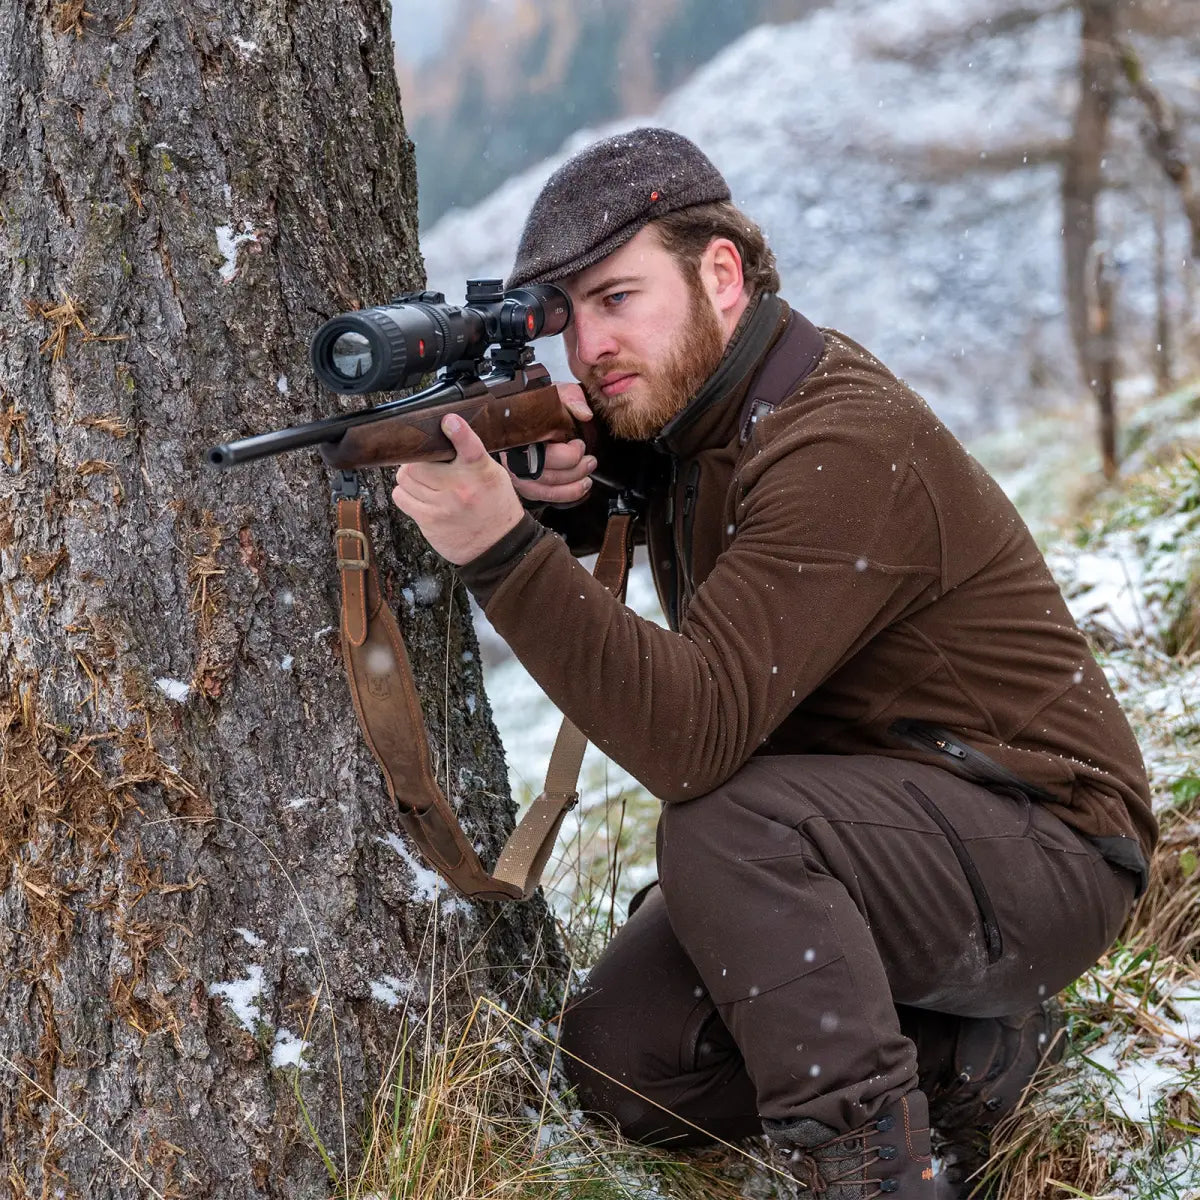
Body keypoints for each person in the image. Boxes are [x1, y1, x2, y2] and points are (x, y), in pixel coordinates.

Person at [389, 128, 1154, 1198]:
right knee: (628, 1061)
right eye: (573, 319)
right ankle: (974, 1061)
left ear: (722, 272)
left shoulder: (843, 440)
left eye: (620, 299)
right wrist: (576, 494)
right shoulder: (702, 430)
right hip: (886, 837)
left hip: (1048, 846)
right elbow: (665, 485)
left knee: (728, 825)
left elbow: (689, 738)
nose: (592, 349)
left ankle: (873, 1168)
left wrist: (503, 552)